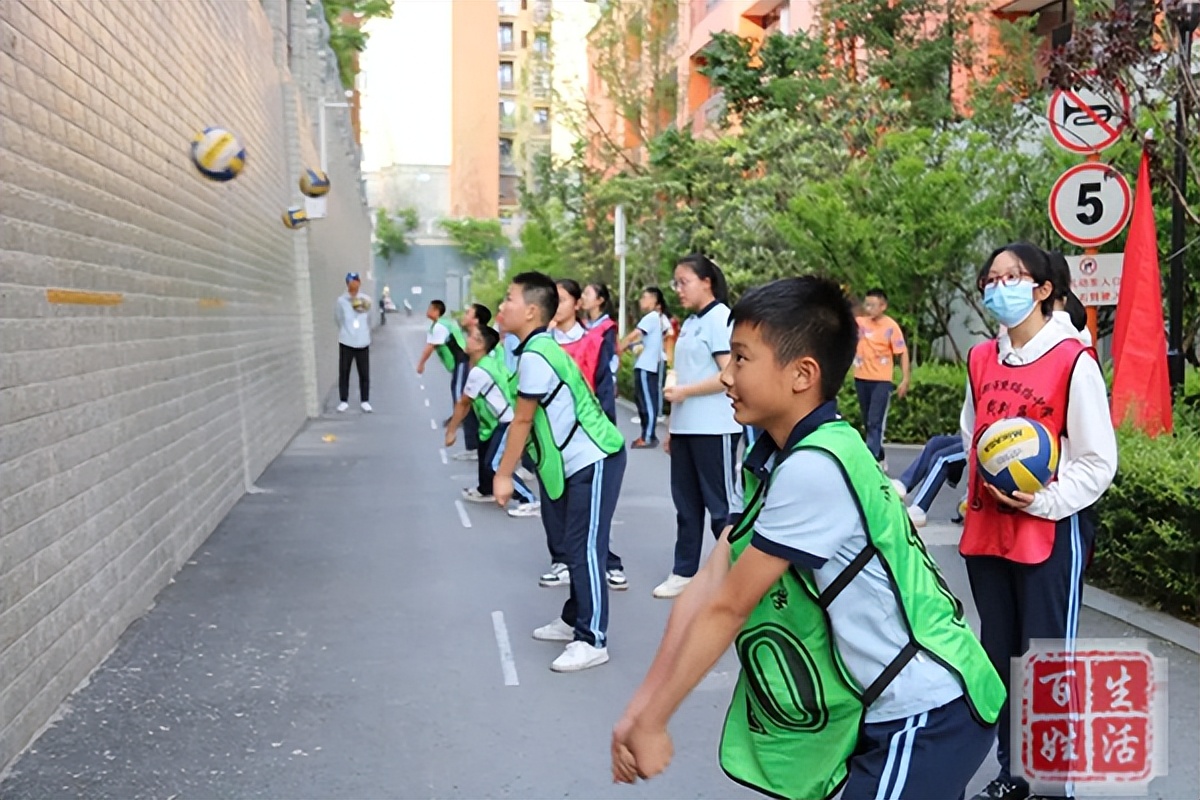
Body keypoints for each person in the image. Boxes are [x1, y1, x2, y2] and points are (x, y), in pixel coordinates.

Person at [611, 276, 1005, 799]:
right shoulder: (783, 457)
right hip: (886, 711)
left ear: (802, 374)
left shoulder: (815, 467)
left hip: (927, 710)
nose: (725, 375)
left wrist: (657, 719)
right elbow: (708, 585)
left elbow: (728, 607)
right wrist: (639, 714)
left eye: (741, 359)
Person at [961, 244, 1117, 800]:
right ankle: (1014, 777)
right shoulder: (981, 359)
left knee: (1044, 664)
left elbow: (1099, 460)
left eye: (1013, 277)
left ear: (1045, 289)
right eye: (991, 278)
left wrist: (1046, 501)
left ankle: (1054, 786)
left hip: (1051, 530)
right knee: (1000, 660)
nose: (997, 287)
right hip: (988, 532)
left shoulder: (1074, 359)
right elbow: (972, 433)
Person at [493, 271, 628, 673]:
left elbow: (521, 421)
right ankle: (574, 618)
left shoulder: (537, 354)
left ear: (531, 311)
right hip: (576, 463)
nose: (502, 306)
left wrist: (503, 475)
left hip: (595, 457)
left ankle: (593, 639)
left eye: (509, 299)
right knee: (573, 546)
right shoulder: (536, 347)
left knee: (585, 548)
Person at [653, 255, 742, 600]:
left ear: (706, 282)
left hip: (715, 426)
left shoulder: (722, 319)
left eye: (684, 281)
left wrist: (685, 393)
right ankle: (684, 570)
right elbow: (684, 374)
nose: (678, 290)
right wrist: (674, 428)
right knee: (686, 504)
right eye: (676, 283)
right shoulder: (690, 323)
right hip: (688, 426)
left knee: (720, 506)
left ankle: (732, 575)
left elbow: (728, 374)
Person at [535, 279, 626, 590]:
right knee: (554, 499)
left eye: (562, 299)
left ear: (576, 304)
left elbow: (603, 388)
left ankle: (607, 561)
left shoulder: (592, 340)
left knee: (591, 509)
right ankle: (560, 560)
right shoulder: (542, 342)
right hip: (552, 435)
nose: (556, 306)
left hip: (586, 435)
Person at [445, 325, 537, 512]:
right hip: (497, 421)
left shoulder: (479, 372)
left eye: (471, 337)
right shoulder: (489, 362)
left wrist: (452, 430)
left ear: (480, 345)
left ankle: (528, 499)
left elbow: (464, 403)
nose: (466, 339)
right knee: (486, 453)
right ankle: (486, 489)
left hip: (506, 422)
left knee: (495, 465)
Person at [854, 288, 910, 471]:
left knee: (874, 421)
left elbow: (902, 352)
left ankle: (870, 463)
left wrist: (905, 379)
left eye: (873, 305)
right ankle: (879, 455)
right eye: (867, 304)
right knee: (866, 421)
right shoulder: (860, 323)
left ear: (883, 306)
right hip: (861, 378)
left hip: (881, 380)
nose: (868, 308)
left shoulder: (891, 327)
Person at [416, 300, 476, 461]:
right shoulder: (442, 324)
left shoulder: (440, 327)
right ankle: (469, 438)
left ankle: (466, 435)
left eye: (430, 308)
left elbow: (430, 346)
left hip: (462, 362)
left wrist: (421, 364)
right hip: (461, 363)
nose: (427, 310)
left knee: (462, 398)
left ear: (436, 311)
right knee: (462, 397)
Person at [618, 287, 669, 447]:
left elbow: (634, 335)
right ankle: (646, 435)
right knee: (643, 401)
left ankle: (648, 437)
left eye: (645, 297)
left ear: (655, 301)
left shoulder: (652, 317)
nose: (642, 300)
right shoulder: (657, 319)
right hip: (646, 365)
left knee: (647, 401)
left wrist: (618, 348)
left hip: (647, 367)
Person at [892, 434, 965, 528]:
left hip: (983, 441)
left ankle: (919, 509)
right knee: (935, 443)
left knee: (943, 459)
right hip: (973, 436)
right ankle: (903, 484)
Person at [334, 272, 372, 413]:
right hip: (346, 340)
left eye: (356, 281)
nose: (353, 284)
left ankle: (365, 400)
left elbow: (369, 318)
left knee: (364, 372)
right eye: (350, 281)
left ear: (359, 282)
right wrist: (346, 330)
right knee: (344, 371)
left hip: (362, 340)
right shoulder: (341, 301)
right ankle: (344, 400)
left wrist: (363, 332)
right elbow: (338, 318)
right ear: (347, 284)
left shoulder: (366, 300)